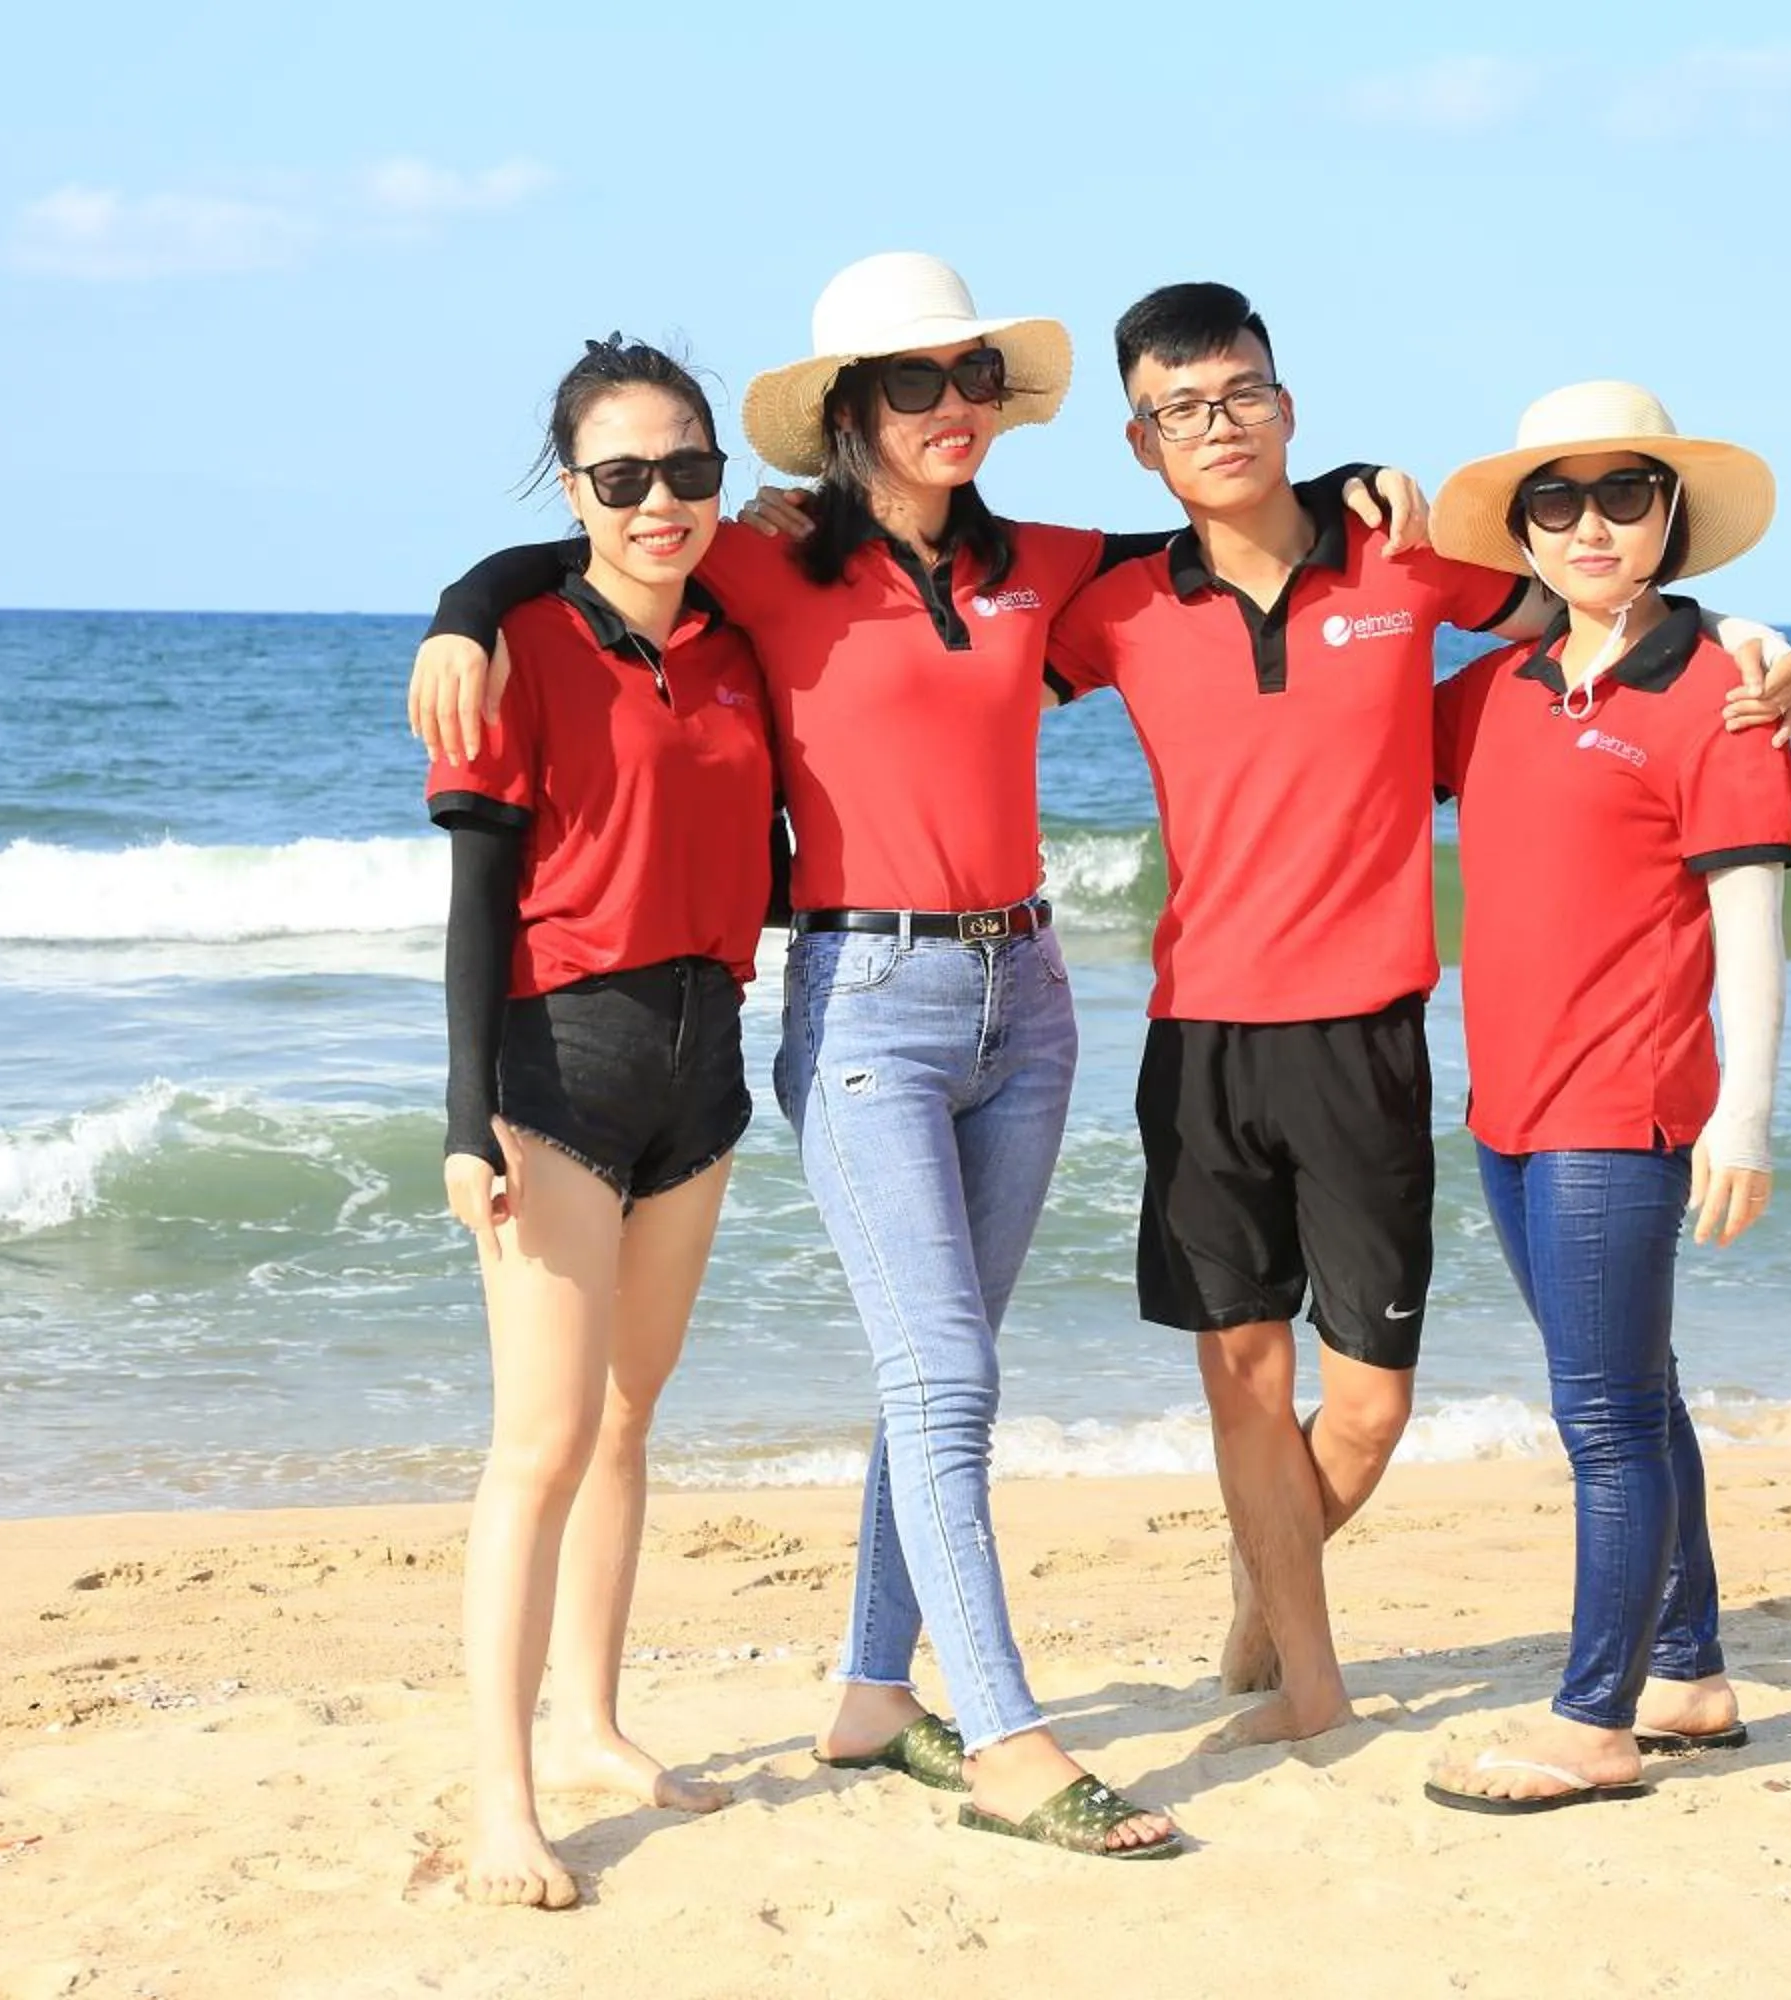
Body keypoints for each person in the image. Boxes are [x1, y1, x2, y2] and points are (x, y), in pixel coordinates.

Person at [412, 255, 1408, 1858]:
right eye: (912, 385)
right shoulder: (766, 556)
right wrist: (469, 608)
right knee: (942, 1375)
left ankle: (876, 1688)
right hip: (865, 1004)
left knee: (944, 1373)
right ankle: (1005, 1735)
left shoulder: (1050, 565)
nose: (953, 410)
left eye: (973, 380)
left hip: (1032, 1003)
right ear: (848, 415)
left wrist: (1349, 492)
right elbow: (609, 543)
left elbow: (1220, 550)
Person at [1044, 286, 1791, 1748]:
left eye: (1245, 394)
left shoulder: (1404, 562)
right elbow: (951, 673)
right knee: (1252, 1386)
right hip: (1199, 1042)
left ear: (1289, 404)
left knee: (1375, 1409)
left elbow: (1589, 628)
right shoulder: (1122, 605)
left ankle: (1278, 1596)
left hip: (1371, 1043)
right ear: (1142, 442)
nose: (1221, 425)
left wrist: (1751, 649)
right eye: (1184, 408)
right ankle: (1322, 1670)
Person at [1421, 381, 1791, 1813]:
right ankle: (1691, 1669)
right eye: (1556, 502)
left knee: (1603, 1421)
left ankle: (1595, 1718)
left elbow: (1752, 925)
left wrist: (1744, 1117)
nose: (1592, 526)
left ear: (1672, 516)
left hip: (1622, 1105)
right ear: (1523, 530)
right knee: (1641, 1392)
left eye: (1623, 496)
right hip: (1505, 1107)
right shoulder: (1495, 694)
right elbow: (1372, 682)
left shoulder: (1724, 692)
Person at [427, 335, 771, 1903]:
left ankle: (591, 1724)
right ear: (574, 489)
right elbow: (478, 900)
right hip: (561, 1066)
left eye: (686, 470)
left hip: (707, 1063)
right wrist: (463, 1117)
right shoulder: (519, 649)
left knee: (632, 1418)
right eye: (621, 477)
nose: (658, 502)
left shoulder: (738, 636)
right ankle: (502, 1797)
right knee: (542, 1441)